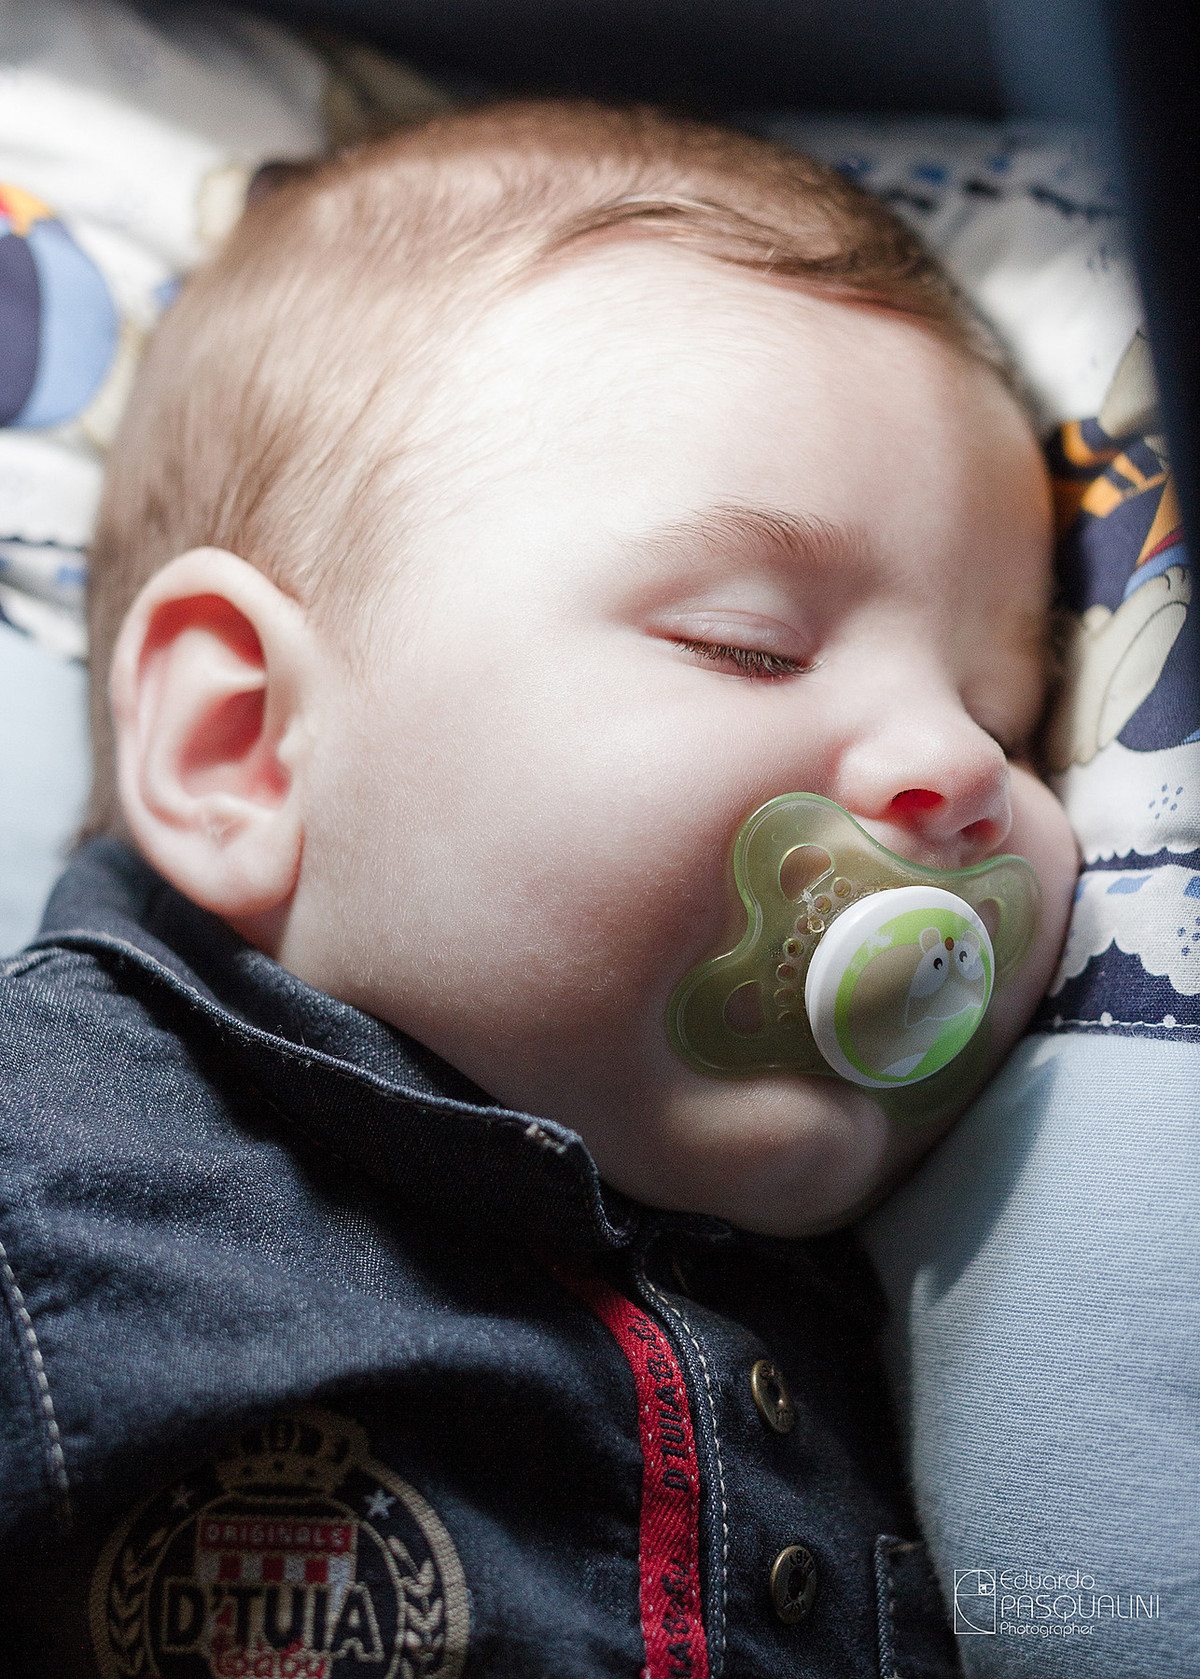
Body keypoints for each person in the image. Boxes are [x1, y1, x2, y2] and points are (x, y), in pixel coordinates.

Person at [0, 101, 1076, 1678]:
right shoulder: (55, 1176)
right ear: (244, 744)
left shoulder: (925, 1328)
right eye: (747, 645)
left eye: (1008, 712)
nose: (967, 773)